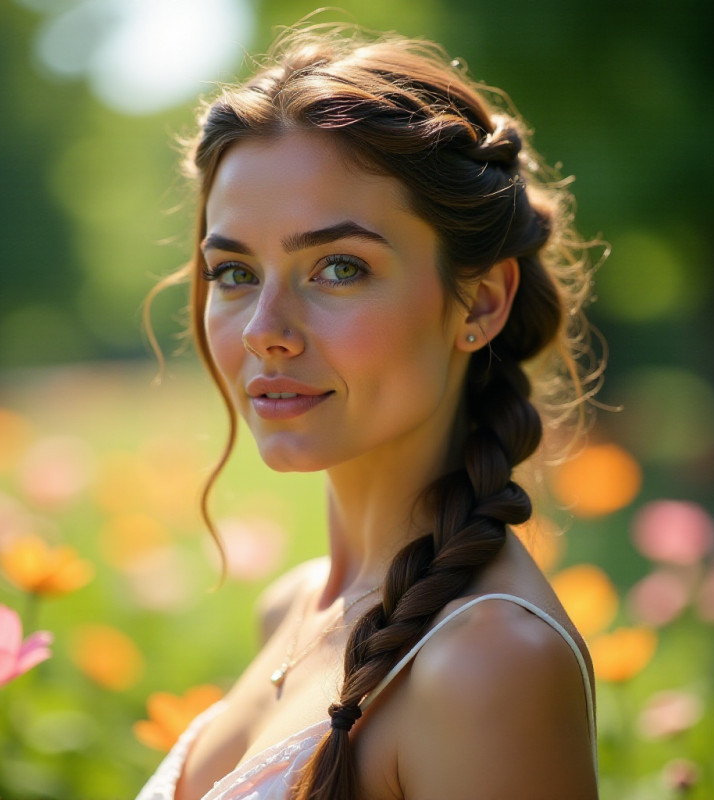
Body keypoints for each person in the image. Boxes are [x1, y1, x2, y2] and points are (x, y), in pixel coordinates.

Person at [138, 22, 602, 800]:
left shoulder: (491, 663)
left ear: (480, 301)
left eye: (339, 267)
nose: (264, 332)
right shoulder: (290, 604)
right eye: (234, 271)